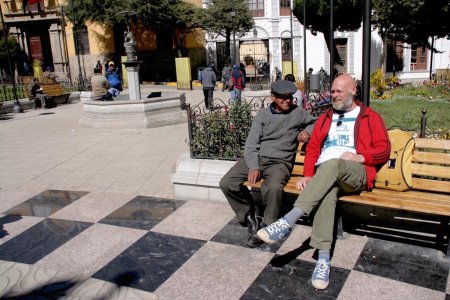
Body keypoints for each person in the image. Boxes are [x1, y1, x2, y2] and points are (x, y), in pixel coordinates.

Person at [257, 74, 391, 290]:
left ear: (353, 91)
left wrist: (359, 157)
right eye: (333, 91)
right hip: (326, 174)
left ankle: (287, 221)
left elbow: (384, 149)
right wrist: (308, 174)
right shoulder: (326, 117)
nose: (334, 95)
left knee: (333, 164)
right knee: (327, 191)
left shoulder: (369, 117)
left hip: (356, 172)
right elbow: (312, 148)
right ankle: (323, 260)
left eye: (339, 91)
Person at [219, 80, 316, 248]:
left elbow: (314, 122)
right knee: (227, 183)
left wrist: (307, 132)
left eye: (289, 97)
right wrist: (254, 166)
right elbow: (251, 144)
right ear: (273, 97)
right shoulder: (263, 116)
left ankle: (268, 225)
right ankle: (249, 214)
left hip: (280, 162)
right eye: (282, 98)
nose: (287, 101)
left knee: (273, 188)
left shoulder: (298, 113)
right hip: (258, 158)